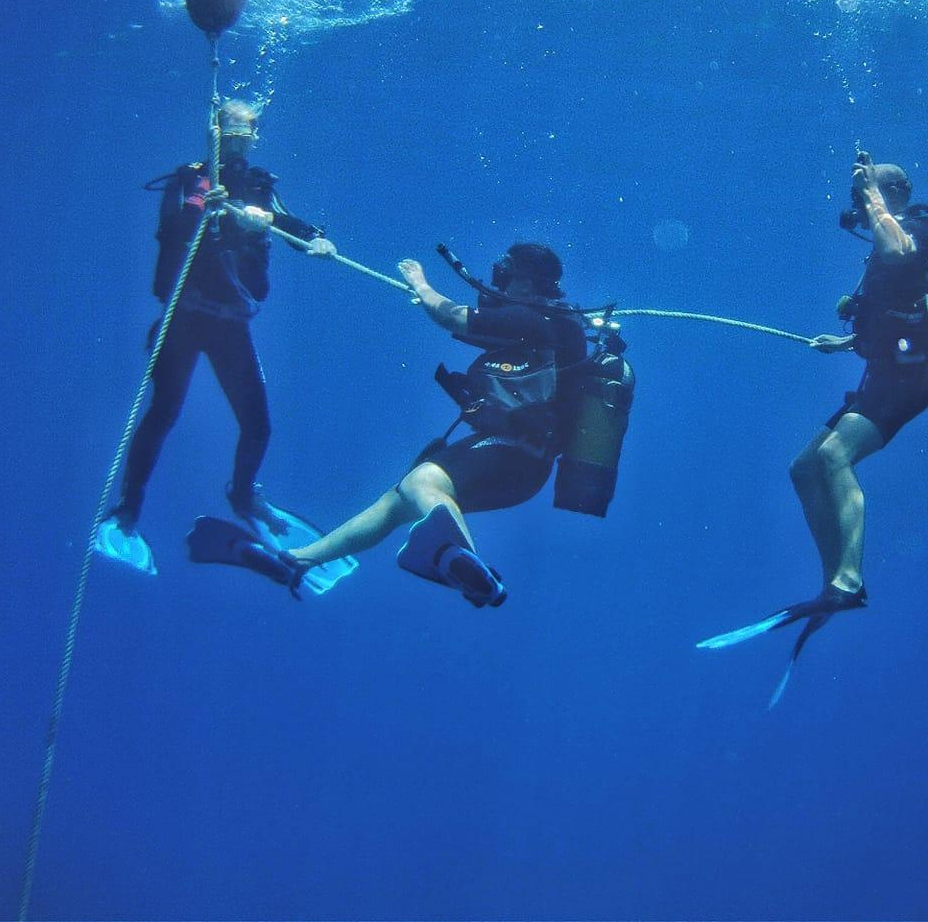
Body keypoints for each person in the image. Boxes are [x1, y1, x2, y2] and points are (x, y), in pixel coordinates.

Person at [699, 153, 928, 704]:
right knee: (803, 467)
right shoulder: (895, 238)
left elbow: (900, 252)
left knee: (834, 458)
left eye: (867, 196)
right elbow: (898, 308)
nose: (858, 206)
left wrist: (873, 196)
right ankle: (835, 578)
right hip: (885, 372)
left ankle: (850, 580)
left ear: (893, 194)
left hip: (911, 379)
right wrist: (846, 341)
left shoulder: (916, 229)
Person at [187, 243, 589, 606]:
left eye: (505, 276)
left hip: (510, 451)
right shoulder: (554, 329)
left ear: (524, 279)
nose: (496, 285)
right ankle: (299, 561)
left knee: (422, 484)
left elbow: (454, 317)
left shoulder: (537, 318)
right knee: (397, 502)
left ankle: (465, 561)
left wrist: (421, 283)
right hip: (525, 471)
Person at [95, 100, 337, 571]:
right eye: (232, 131)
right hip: (185, 319)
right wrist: (223, 212)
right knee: (164, 412)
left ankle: (244, 495)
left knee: (259, 424)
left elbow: (287, 222)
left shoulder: (260, 186)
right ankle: (127, 511)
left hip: (229, 323)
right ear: (216, 132)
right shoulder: (192, 178)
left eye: (247, 133)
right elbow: (175, 225)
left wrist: (316, 238)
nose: (240, 140)